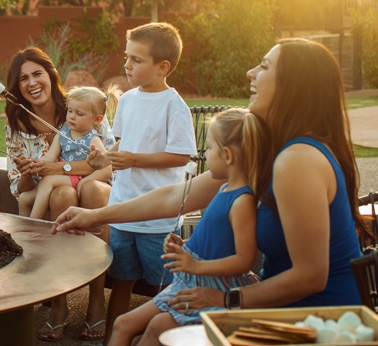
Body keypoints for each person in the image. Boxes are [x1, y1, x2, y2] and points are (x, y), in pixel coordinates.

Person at [55, 38, 367, 328]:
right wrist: (94, 216)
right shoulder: (268, 149)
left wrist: (225, 299)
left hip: (317, 320)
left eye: (265, 66)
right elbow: (176, 196)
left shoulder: (298, 159)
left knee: (154, 329)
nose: (250, 72)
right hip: (280, 306)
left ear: (294, 85)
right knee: (140, 327)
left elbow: (310, 277)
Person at [109, 108, 266, 346]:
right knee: (123, 325)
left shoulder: (242, 201)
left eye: (210, 147)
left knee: (145, 331)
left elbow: (244, 260)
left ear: (227, 155)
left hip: (210, 284)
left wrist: (196, 265)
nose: (205, 153)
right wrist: (185, 246)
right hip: (191, 278)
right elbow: (218, 238)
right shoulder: (225, 190)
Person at [91, 22, 197, 338]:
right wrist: (107, 156)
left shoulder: (174, 106)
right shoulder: (128, 100)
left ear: (163, 67)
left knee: (162, 286)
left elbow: (181, 156)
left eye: (137, 60)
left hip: (157, 220)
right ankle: (115, 338)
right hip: (123, 211)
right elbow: (123, 143)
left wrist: (135, 160)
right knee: (121, 281)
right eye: (128, 57)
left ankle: (165, 338)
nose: (127, 65)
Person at [5, 47, 114, 343]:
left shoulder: (84, 104)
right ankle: (59, 303)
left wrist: (57, 166)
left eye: (37, 73)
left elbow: (104, 162)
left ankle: (96, 300)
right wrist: (31, 170)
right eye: (23, 78)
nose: (32, 82)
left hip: (91, 185)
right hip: (53, 192)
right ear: (18, 87)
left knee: (86, 188)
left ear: (50, 76)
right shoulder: (17, 125)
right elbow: (19, 187)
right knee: (62, 192)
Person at [29, 85, 119, 219]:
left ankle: (33, 221)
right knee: (26, 197)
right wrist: (36, 163)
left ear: (97, 120)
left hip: (82, 178)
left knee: (48, 181)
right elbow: (50, 156)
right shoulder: (63, 133)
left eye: (79, 114)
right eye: (70, 111)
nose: (72, 116)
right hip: (67, 176)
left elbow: (106, 168)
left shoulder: (92, 138)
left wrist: (84, 183)